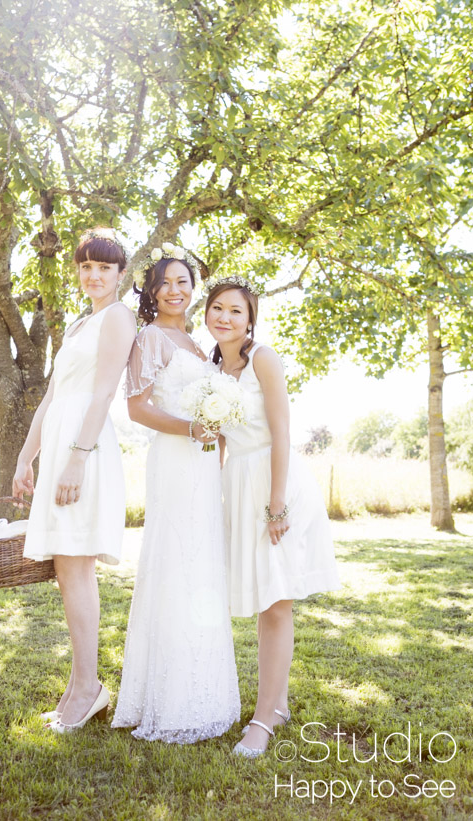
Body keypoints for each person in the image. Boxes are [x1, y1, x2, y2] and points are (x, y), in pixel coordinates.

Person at [204, 276, 340, 758]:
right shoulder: (212, 367)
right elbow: (218, 437)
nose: (225, 317)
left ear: (250, 318)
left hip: (275, 483)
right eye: (217, 308)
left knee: (276, 601)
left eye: (235, 311)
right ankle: (276, 704)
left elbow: (282, 433)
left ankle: (262, 722)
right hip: (239, 485)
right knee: (265, 598)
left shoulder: (264, 358)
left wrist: (276, 503)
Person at [111, 245, 240, 743]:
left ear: (194, 288)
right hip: (175, 458)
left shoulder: (196, 344)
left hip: (204, 465)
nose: (174, 290)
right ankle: (169, 698)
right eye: (164, 282)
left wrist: (218, 437)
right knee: (175, 563)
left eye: (183, 281)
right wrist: (191, 429)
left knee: (202, 566)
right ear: (150, 290)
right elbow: (138, 409)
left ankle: (204, 689)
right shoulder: (151, 338)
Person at [12, 228, 136, 734]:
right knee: (67, 570)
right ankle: (79, 687)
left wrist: (78, 459)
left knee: (76, 569)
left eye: (104, 268)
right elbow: (51, 399)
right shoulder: (78, 326)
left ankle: (88, 690)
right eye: (86, 266)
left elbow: (104, 392)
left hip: (85, 449)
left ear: (120, 275)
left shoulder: (118, 319)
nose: (94, 276)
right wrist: (25, 460)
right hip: (61, 445)